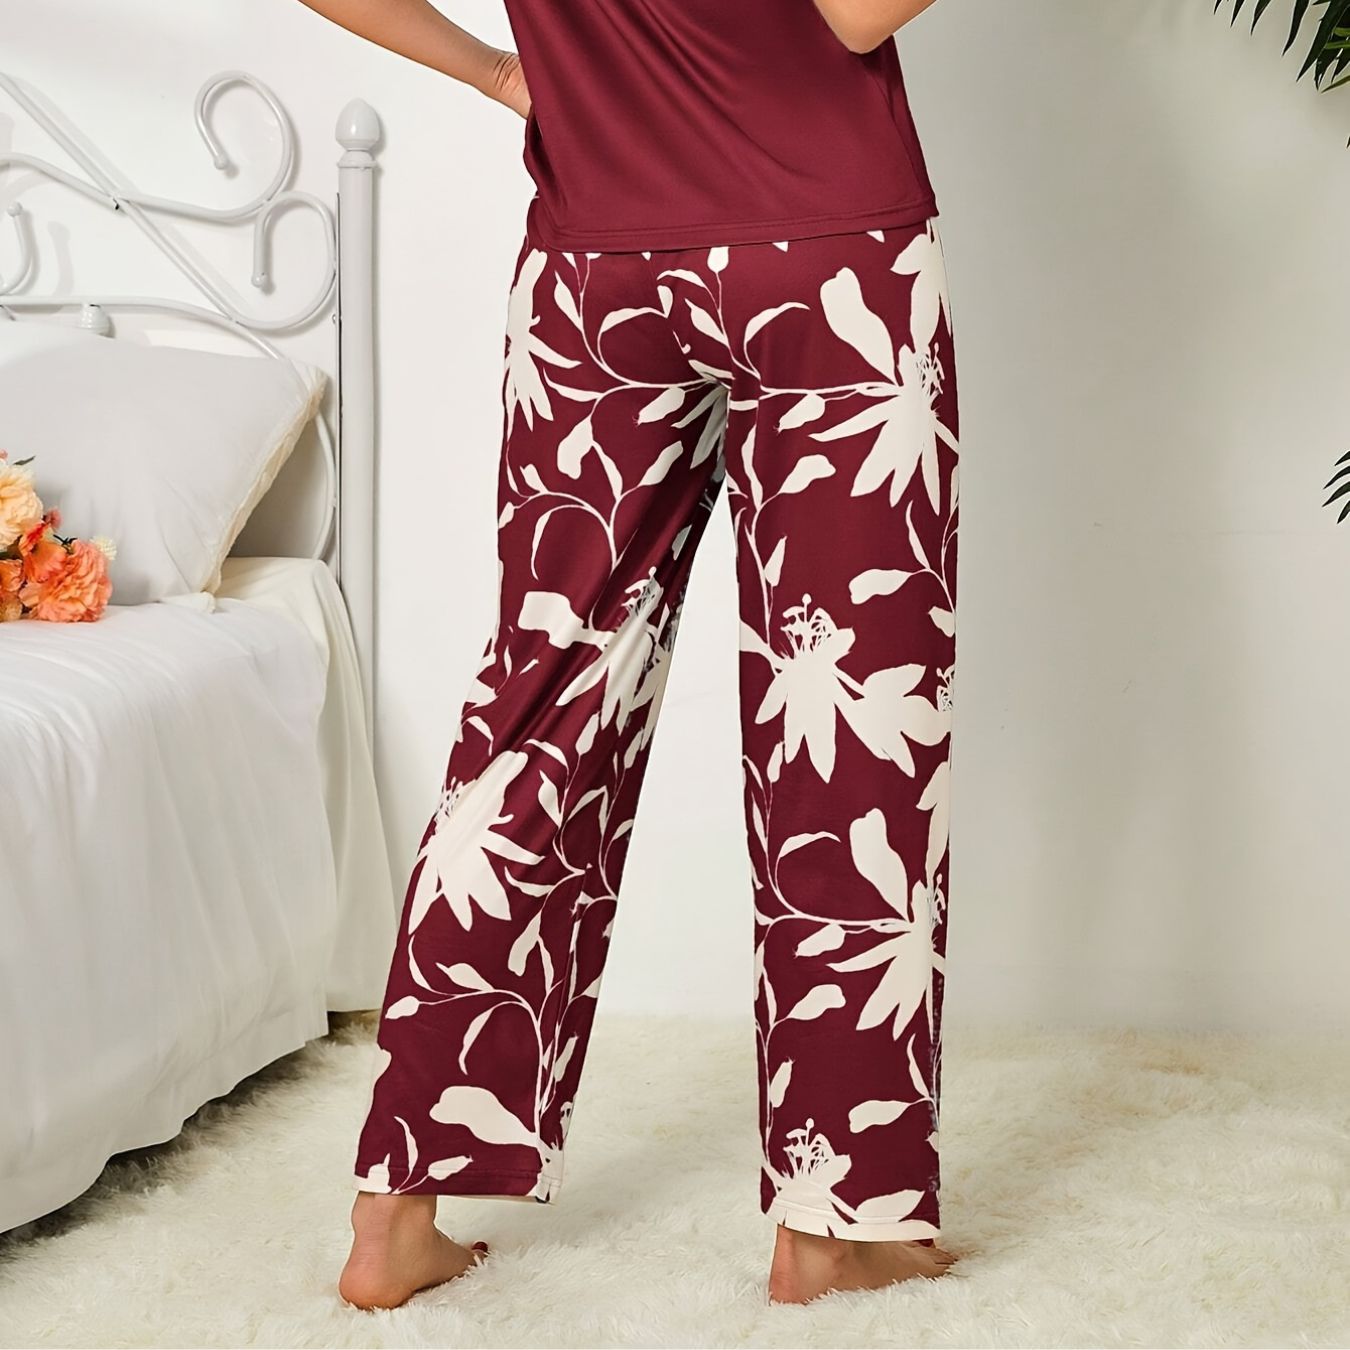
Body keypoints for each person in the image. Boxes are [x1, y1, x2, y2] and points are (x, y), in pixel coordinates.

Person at [298, 0, 959, 1310]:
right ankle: (830, 1225)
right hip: (830, 253)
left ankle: (395, 1212)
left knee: (539, 705)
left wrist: (503, 70)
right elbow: (850, 16)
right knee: (845, 722)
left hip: (593, 269)